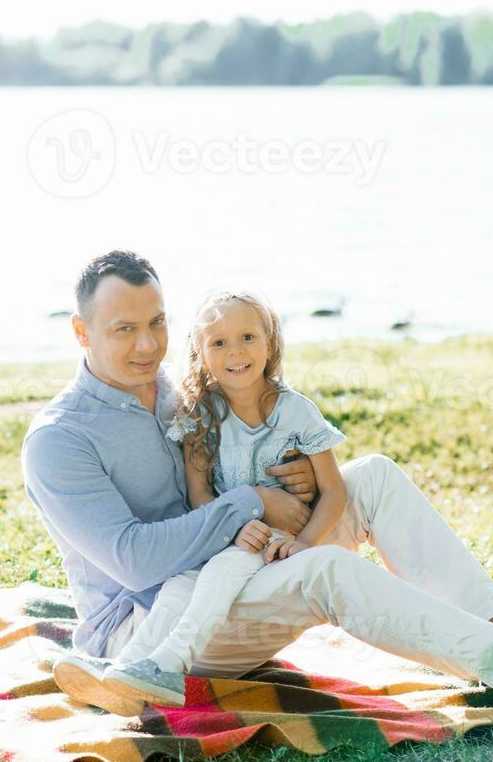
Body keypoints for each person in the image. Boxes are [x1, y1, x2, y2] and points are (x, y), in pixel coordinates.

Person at [22, 250, 493, 718]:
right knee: (326, 569)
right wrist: (254, 501)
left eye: (157, 323)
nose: (148, 346)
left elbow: (244, 450)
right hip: (152, 630)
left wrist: (292, 477)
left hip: (241, 569)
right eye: (125, 330)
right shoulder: (60, 439)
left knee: (374, 478)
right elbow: (135, 562)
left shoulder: (181, 394)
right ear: (81, 330)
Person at [98, 289, 350, 709]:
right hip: (225, 534)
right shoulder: (202, 414)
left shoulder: (297, 412)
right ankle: (126, 669)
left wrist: (304, 542)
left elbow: (334, 490)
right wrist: (230, 526)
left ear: (270, 341)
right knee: (180, 582)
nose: (236, 351)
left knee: (224, 571)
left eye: (248, 337)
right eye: (219, 342)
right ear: (200, 353)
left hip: (273, 539)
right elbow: (200, 495)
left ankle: (172, 661)